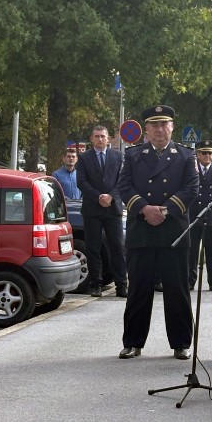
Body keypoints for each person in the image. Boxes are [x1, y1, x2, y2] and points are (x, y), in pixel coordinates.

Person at [117, 105, 199, 360]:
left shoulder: (185, 155)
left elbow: (192, 188)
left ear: (172, 127)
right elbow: (124, 186)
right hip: (141, 230)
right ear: (147, 129)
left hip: (172, 230)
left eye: (164, 124)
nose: (160, 130)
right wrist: (144, 209)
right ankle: (132, 342)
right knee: (139, 291)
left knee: (177, 291)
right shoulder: (133, 155)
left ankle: (181, 343)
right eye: (154, 125)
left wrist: (164, 210)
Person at [75, 126, 127, 298]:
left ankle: (121, 285)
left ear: (108, 138)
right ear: (91, 138)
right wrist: (98, 196)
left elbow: (123, 180)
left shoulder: (118, 156)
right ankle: (95, 284)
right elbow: (81, 182)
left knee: (117, 247)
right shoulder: (83, 158)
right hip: (92, 209)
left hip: (113, 209)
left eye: (103, 136)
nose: (100, 139)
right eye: (96, 136)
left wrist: (111, 196)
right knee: (93, 247)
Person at [188, 140, 212, 292]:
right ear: (197, 154)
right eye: (204, 153)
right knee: (191, 251)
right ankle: (189, 280)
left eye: (210, 153)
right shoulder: (192, 170)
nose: (207, 156)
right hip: (194, 215)